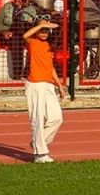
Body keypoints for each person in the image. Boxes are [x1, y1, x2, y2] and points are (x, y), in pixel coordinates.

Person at [22, 15, 65, 163]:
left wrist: (59, 85)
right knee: (38, 119)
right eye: (42, 28)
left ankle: (38, 142)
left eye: (47, 29)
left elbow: (50, 67)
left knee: (57, 118)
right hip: (35, 85)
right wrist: (40, 26)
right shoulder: (32, 42)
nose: (44, 32)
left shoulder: (48, 46)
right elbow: (25, 35)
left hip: (48, 85)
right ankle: (40, 154)